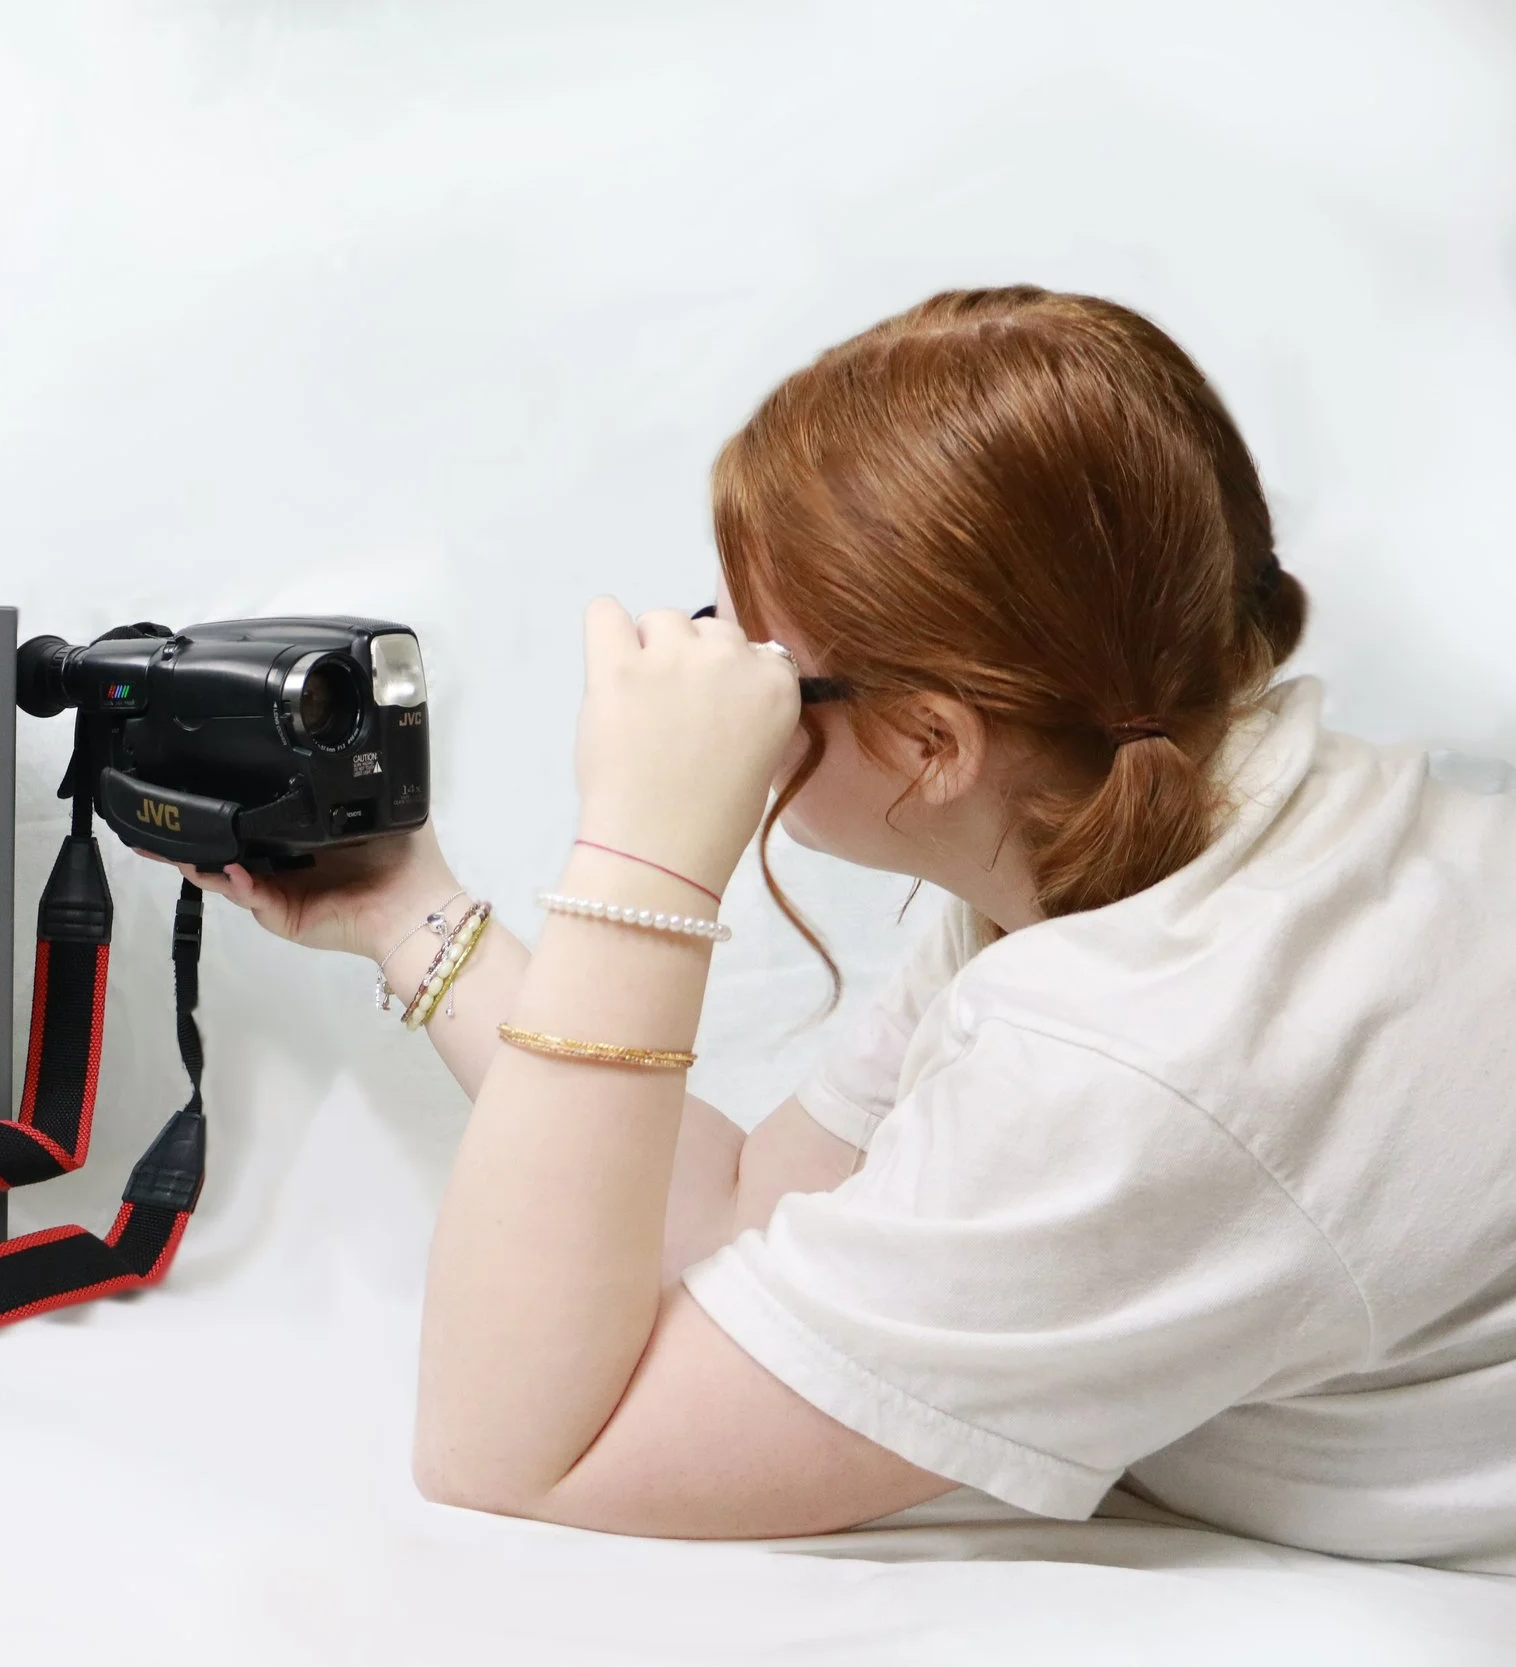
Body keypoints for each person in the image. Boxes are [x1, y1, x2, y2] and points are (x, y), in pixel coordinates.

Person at [178, 287, 1516, 1571]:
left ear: (932, 741)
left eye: (761, 657)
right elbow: (737, 1213)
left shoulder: (1148, 1051)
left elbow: (514, 1452)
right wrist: (413, 913)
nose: (711, 673)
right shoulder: (1148, 825)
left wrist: (646, 843)